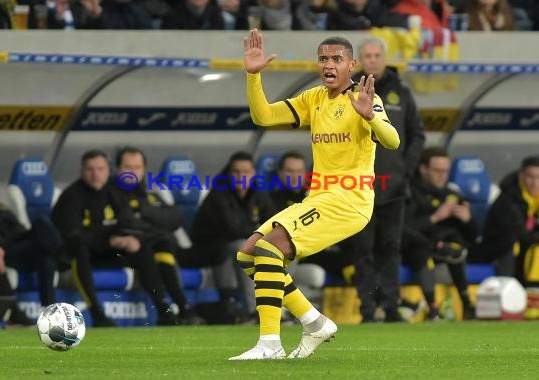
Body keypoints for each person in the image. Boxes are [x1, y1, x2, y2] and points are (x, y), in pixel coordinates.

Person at [229, 29, 399, 360]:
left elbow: (392, 140)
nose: (329, 65)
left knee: (268, 248)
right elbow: (263, 116)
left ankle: (269, 344)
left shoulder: (366, 100)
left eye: (337, 59)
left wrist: (371, 119)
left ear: (352, 64)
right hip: (319, 198)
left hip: (349, 202)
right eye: (323, 59)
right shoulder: (314, 98)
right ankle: (314, 321)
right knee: (248, 255)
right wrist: (253, 76)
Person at [347, 37, 425, 323]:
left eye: (376, 55)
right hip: (358, 188)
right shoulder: (347, 92)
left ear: (384, 58)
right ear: (359, 61)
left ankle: (391, 306)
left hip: (394, 187)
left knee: (392, 248)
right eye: (366, 55)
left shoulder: (402, 93)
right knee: (362, 250)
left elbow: (417, 134)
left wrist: (406, 167)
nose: (372, 60)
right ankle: (368, 309)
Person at [52, 150, 176, 327]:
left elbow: (126, 223)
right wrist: (109, 241)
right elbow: (72, 236)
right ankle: (96, 313)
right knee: (79, 249)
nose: (96, 174)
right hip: (81, 255)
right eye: (90, 169)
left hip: (108, 252)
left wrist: (128, 239)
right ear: (82, 171)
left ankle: (163, 309)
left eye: (100, 169)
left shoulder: (113, 193)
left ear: (108, 171)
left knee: (141, 247)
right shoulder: (71, 196)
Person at [114, 146, 204, 324]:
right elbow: (127, 223)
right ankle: (164, 308)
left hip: (154, 246)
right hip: (119, 251)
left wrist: (144, 212)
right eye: (127, 167)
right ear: (118, 169)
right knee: (149, 246)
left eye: (137, 167)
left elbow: (174, 218)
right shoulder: (111, 193)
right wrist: (154, 222)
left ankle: (182, 306)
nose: (132, 172)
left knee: (165, 247)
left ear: (144, 170)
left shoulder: (150, 193)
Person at [192, 151, 276, 323]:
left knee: (283, 249)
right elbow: (231, 229)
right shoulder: (219, 193)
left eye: (245, 172)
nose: (241, 176)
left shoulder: (257, 192)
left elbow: (273, 221)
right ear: (229, 173)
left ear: (253, 173)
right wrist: (260, 233)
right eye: (236, 172)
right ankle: (254, 311)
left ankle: (279, 308)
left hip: (240, 242)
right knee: (245, 248)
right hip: (210, 248)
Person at [0, 160, 62, 307]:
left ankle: (49, 309)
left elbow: (19, 230)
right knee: (45, 245)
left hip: (12, 246)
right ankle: (62, 255)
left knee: (42, 232)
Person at [406, 147, 477, 320]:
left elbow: (473, 236)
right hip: (412, 248)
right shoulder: (409, 191)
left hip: (442, 248)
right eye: (437, 170)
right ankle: (433, 308)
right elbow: (404, 229)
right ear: (423, 169)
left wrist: (468, 220)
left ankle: (467, 303)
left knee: (456, 244)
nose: (442, 176)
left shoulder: (451, 194)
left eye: (446, 171)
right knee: (421, 250)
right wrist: (436, 217)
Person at [473, 155, 539, 284]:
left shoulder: (536, 198)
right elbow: (520, 234)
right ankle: (507, 289)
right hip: (495, 248)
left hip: (525, 245)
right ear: (521, 176)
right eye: (530, 177)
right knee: (512, 245)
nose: (535, 183)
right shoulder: (508, 200)